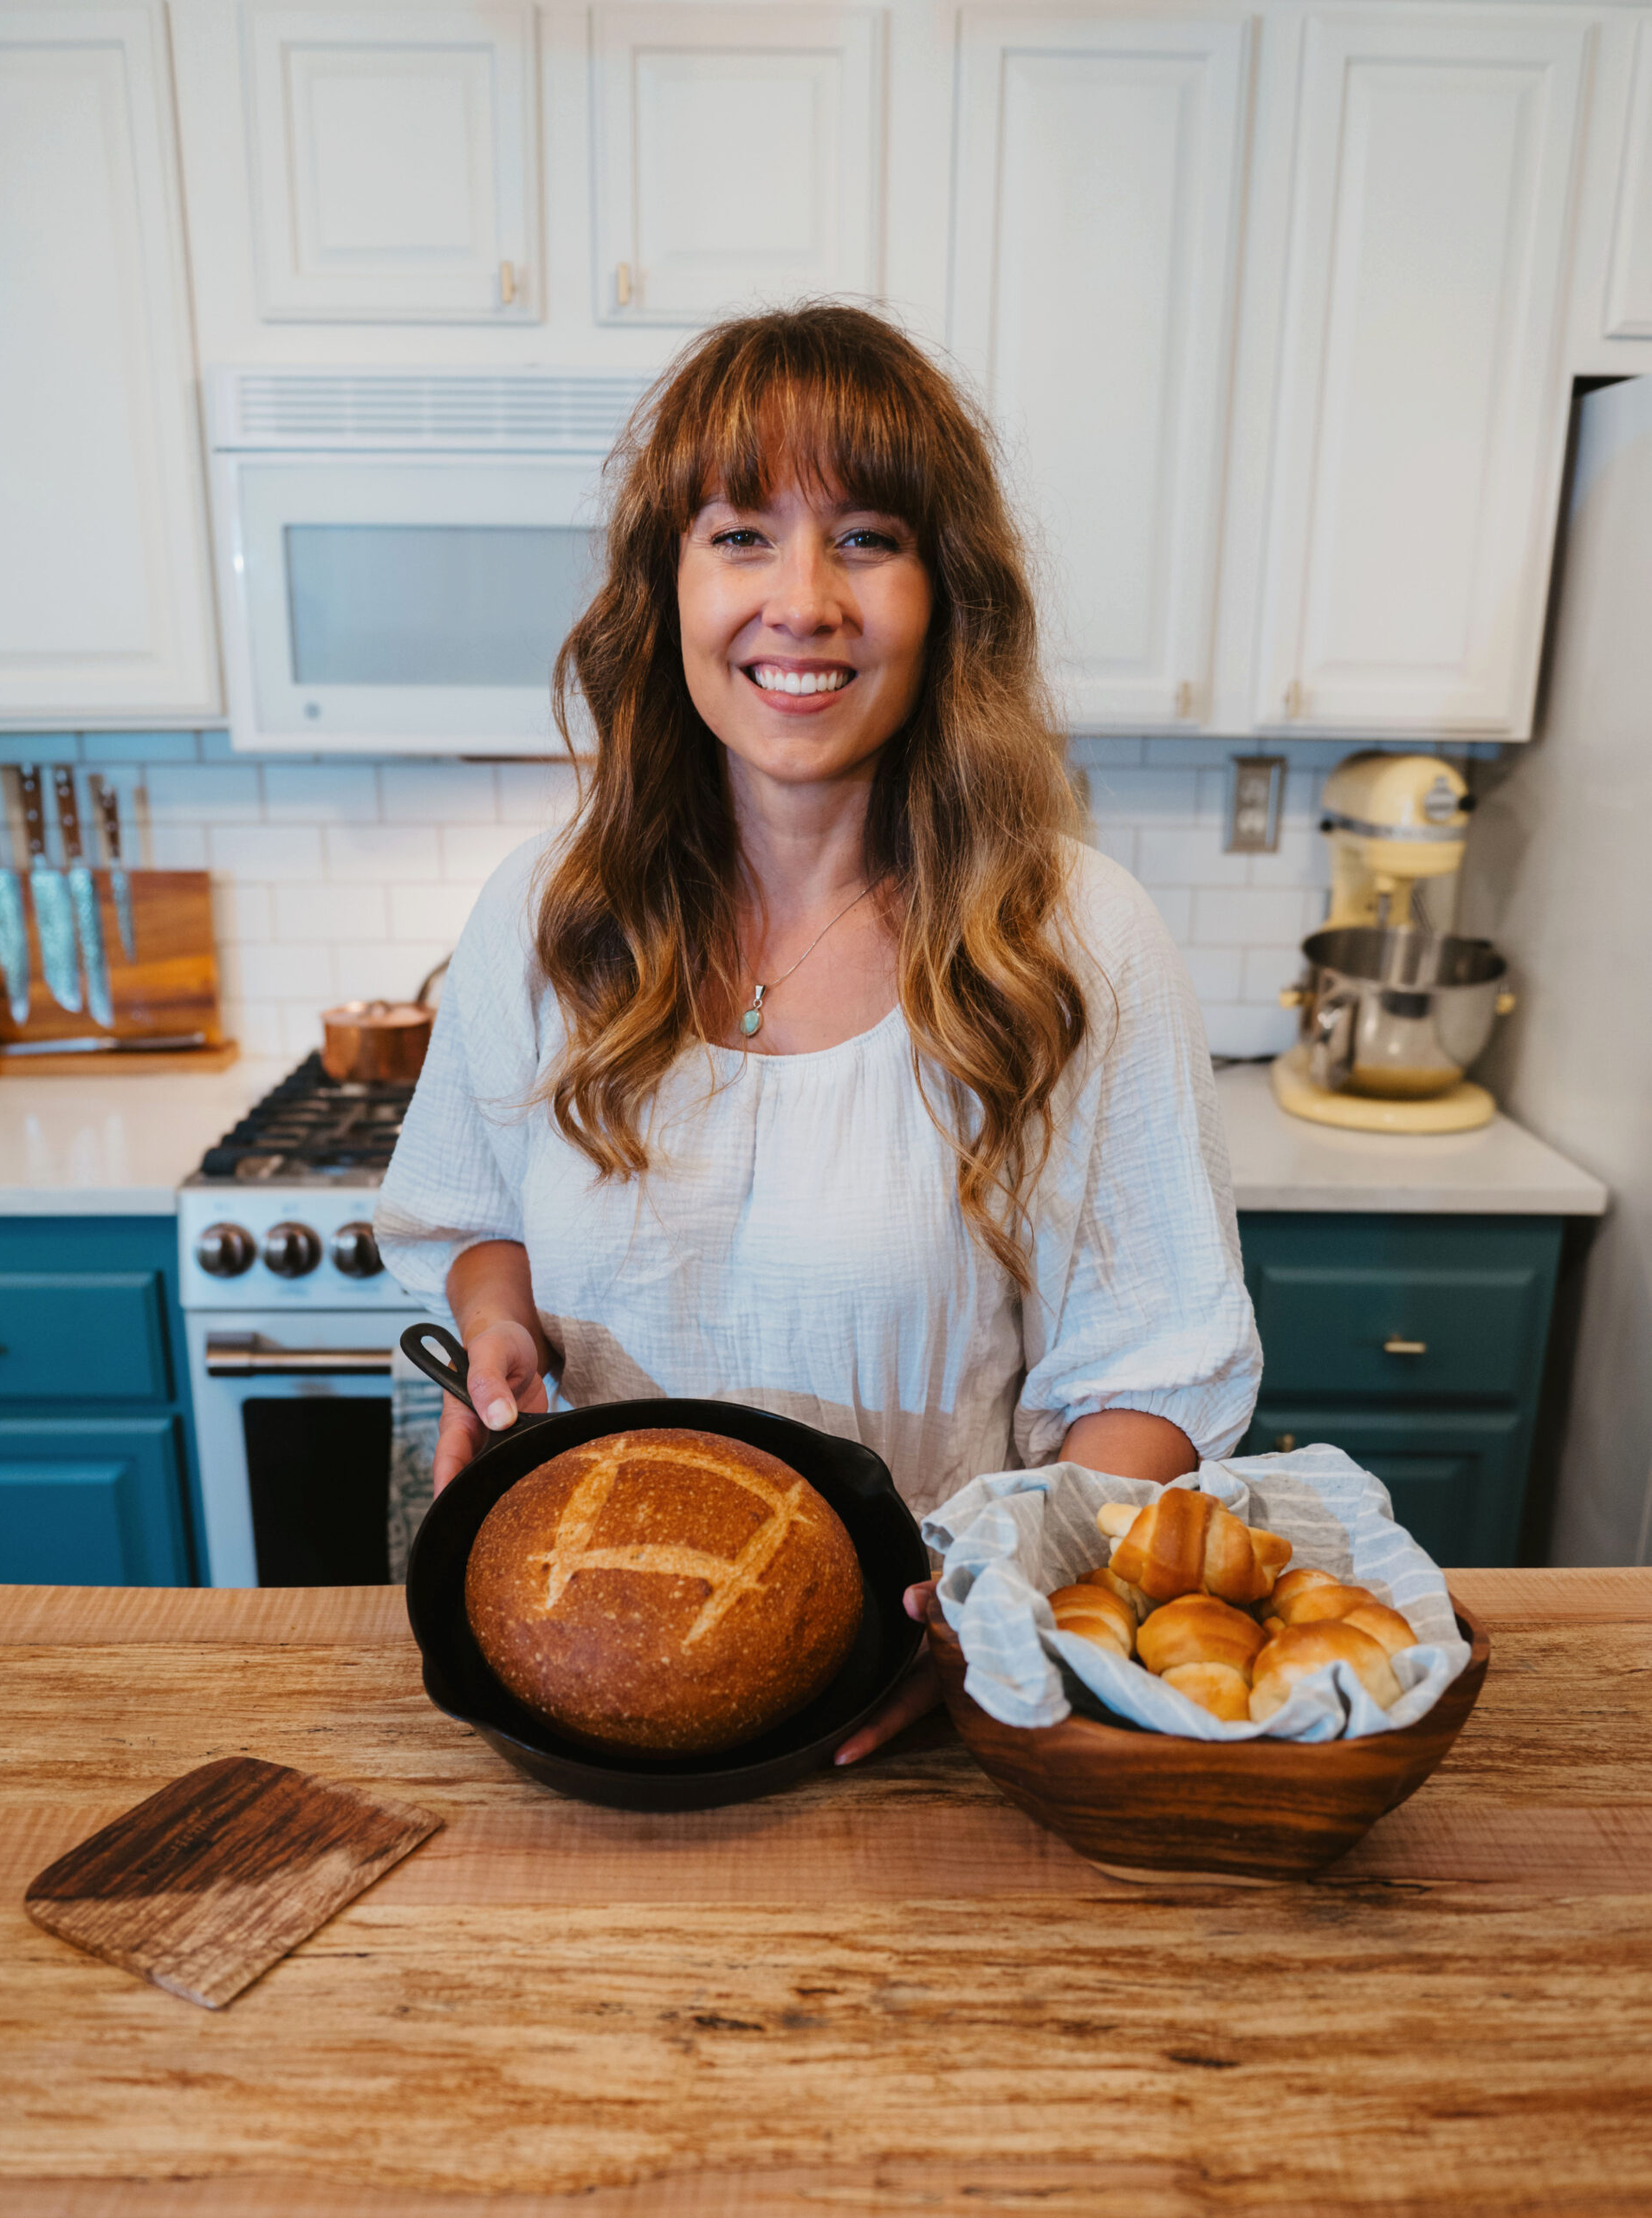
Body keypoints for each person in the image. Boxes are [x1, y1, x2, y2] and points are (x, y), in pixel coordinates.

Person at [375, 302, 1260, 1761]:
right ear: (664, 590)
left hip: (918, 1720)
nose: (802, 601)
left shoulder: (1072, 942)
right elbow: (472, 1214)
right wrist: (496, 1329)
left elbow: (1153, 1381)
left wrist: (989, 1618)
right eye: (738, 536)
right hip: (586, 1698)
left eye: (863, 538)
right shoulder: (548, 911)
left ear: (945, 592)